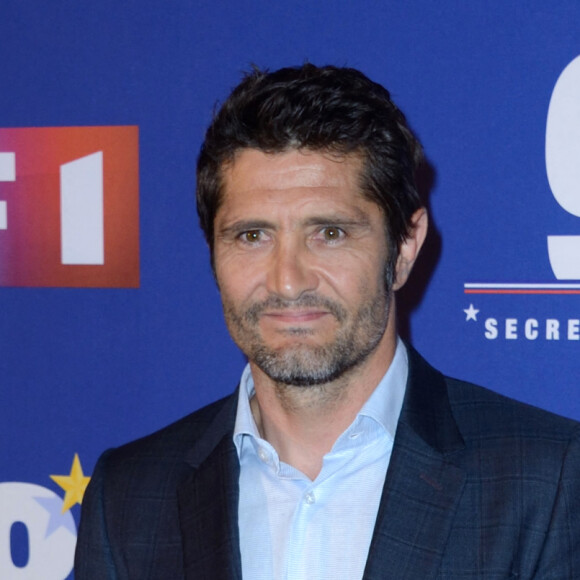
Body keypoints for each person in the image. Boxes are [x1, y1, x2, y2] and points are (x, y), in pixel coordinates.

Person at [75, 64, 580, 579]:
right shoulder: (129, 497)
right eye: (252, 236)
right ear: (213, 251)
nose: (287, 281)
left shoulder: (548, 481)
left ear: (405, 247)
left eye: (330, 233)